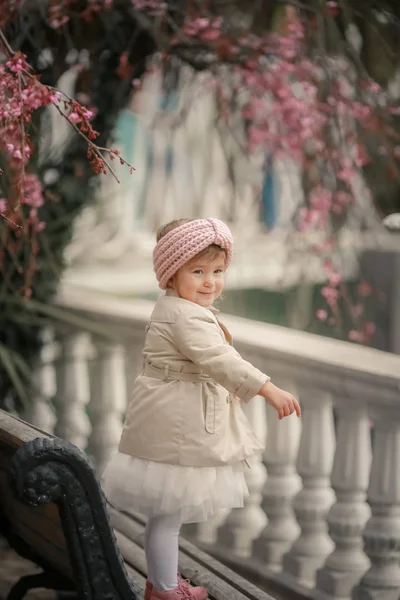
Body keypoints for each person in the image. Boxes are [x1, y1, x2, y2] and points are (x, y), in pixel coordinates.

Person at [102, 218, 301, 600]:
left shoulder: (175, 308)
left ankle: (163, 583)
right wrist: (266, 387)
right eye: (198, 271)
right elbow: (219, 358)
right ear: (171, 275)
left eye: (217, 271)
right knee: (167, 519)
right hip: (176, 427)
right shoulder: (184, 315)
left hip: (169, 421)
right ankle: (163, 590)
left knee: (165, 517)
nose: (210, 281)